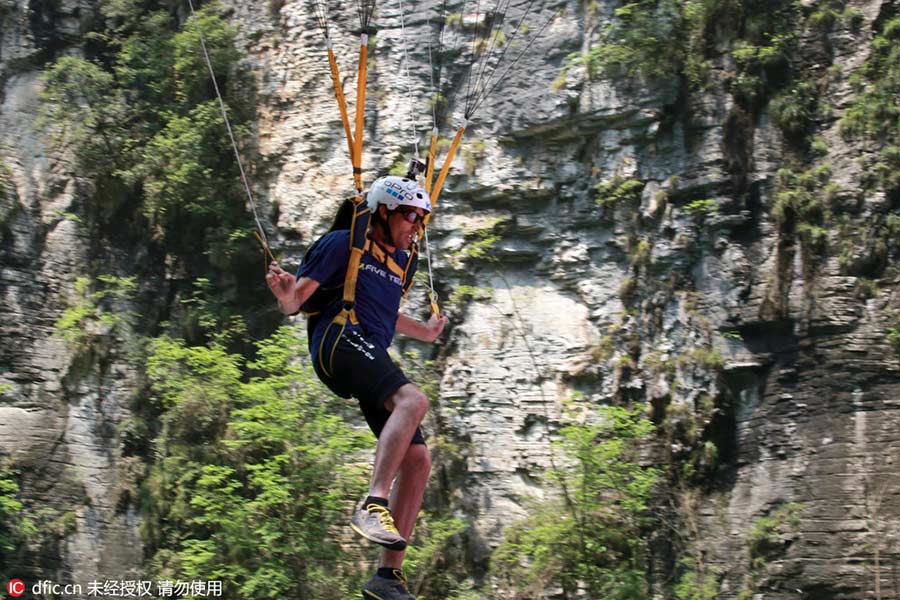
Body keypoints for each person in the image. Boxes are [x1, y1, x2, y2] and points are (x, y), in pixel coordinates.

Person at [266, 175, 449, 600]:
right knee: (413, 399)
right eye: (409, 216)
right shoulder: (344, 243)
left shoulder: (403, 262)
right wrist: (284, 293)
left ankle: (387, 578)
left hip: (369, 347)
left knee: (419, 460)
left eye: (421, 220)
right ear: (382, 212)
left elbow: (386, 314)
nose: (414, 227)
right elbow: (296, 301)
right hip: (339, 339)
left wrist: (423, 332)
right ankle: (374, 502)